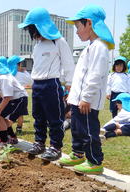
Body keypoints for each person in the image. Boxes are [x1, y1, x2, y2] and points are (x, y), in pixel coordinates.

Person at [58, 4, 115, 174]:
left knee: (89, 131)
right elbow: (80, 76)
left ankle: (95, 161)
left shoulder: (100, 47)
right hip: (78, 99)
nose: (76, 31)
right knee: (77, 128)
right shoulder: (89, 47)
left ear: (89, 23)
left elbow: (95, 75)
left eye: (78, 26)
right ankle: (77, 153)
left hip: (86, 101)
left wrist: (86, 98)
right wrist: (72, 97)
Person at [18, 7, 75, 161]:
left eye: (33, 29)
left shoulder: (59, 42)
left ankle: (55, 147)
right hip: (37, 85)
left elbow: (68, 64)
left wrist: (69, 85)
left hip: (52, 85)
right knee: (38, 116)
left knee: (55, 117)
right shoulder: (37, 46)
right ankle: (39, 143)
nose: (33, 34)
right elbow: (37, 67)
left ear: (41, 26)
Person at [7, 55, 33, 134]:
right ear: (17, 65)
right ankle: (18, 128)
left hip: (11, 98)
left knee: (11, 114)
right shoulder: (21, 74)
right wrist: (25, 71)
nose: (22, 65)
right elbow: (31, 81)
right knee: (19, 114)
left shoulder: (8, 74)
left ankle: (8, 128)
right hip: (21, 97)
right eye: (20, 64)